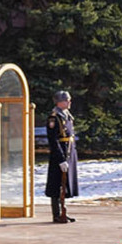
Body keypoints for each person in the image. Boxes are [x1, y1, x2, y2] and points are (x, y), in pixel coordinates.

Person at [45, 90, 79, 224]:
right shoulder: (54, 118)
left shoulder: (67, 116)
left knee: (64, 185)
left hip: (69, 152)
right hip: (59, 155)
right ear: (59, 102)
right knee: (56, 185)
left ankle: (63, 211)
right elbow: (53, 140)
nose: (69, 102)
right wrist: (61, 159)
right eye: (67, 100)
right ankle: (57, 214)